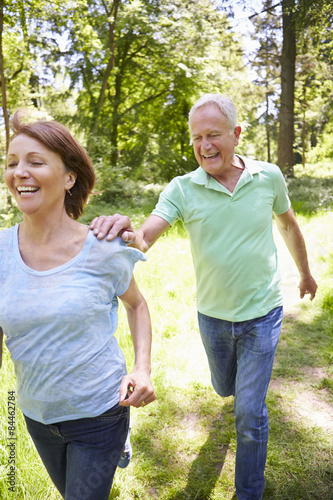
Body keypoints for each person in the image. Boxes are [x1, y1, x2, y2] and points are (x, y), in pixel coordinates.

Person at [90, 94, 317, 500]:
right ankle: (234, 391)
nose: (204, 145)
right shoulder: (183, 188)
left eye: (213, 135)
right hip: (212, 317)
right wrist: (126, 232)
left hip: (263, 313)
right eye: (197, 137)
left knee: (249, 413)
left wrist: (305, 273)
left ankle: (249, 491)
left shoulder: (268, 177)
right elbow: (147, 236)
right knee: (224, 387)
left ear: (236, 133)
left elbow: (288, 225)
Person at [0, 111, 156, 500]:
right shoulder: (1, 251)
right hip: (37, 414)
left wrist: (142, 369)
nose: (20, 172)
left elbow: (137, 306)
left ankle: (116, 443)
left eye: (35, 162)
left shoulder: (104, 246)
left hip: (100, 412)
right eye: (11, 163)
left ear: (69, 177)